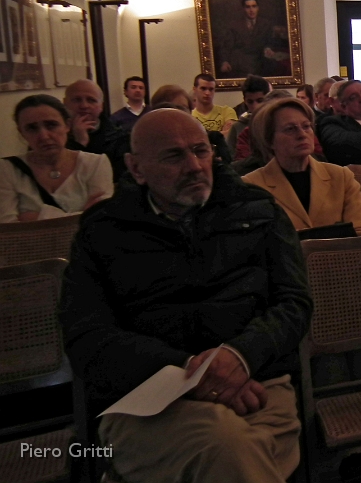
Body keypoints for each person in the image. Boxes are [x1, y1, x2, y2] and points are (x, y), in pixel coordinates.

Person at [60, 109, 313, 483]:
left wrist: (240, 355)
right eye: (174, 156)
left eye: (201, 151)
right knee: (227, 447)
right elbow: (86, 335)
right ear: (136, 167)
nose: (195, 166)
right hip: (148, 397)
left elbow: (294, 302)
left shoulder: (256, 209)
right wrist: (191, 371)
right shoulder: (104, 231)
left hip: (256, 385)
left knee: (230, 448)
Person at [244, 97, 361, 235]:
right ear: (269, 141)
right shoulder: (252, 186)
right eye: (290, 129)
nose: (302, 134)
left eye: (306, 126)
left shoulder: (341, 176)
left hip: (341, 256)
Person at [1, 94, 113, 222]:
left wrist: (36, 217)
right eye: (32, 128)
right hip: (29, 243)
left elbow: (101, 222)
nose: (43, 136)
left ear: (67, 125)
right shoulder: (7, 169)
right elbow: (7, 228)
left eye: (51, 125)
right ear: (22, 132)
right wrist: (82, 216)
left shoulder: (95, 164)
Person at [63, 79, 131, 180]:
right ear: (65, 103)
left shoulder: (119, 138)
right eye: (77, 100)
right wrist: (79, 143)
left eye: (91, 100)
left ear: (101, 106)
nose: (84, 106)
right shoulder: (55, 136)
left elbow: (116, 179)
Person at [150, 84, 233, 163]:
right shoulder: (150, 143)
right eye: (172, 108)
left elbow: (227, 167)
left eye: (183, 108)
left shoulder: (212, 138)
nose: (179, 113)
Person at [215, 0, 280, 78]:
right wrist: (224, 62)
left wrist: (268, 48)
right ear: (243, 9)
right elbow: (226, 47)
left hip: (260, 60)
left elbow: (270, 41)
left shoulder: (266, 24)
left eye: (254, 6)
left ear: (258, 8)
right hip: (241, 62)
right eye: (248, 7)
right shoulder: (234, 26)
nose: (251, 10)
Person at [228, 74, 272, 152]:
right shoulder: (237, 127)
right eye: (250, 102)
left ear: (268, 98)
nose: (255, 106)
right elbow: (230, 158)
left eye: (260, 101)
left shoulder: (276, 122)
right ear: (244, 100)